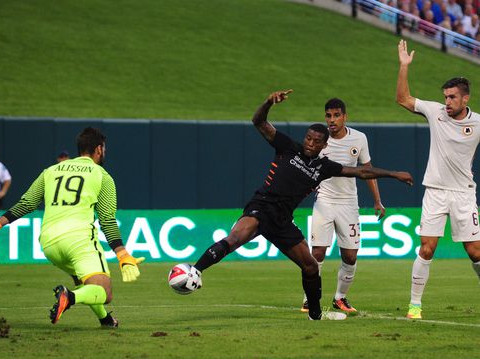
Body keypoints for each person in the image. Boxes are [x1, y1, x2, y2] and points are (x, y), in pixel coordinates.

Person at [186, 90, 413, 321]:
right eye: (308, 138)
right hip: (261, 207)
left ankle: (315, 314)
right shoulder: (287, 147)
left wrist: (394, 174)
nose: (311, 143)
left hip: (282, 221)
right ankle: (196, 270)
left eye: (316, 141)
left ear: (324, 145)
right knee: (234, 238)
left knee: (311, 267)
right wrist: (267, 102)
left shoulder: (325, 167)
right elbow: (259, 122)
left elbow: (362, 171)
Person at [0, 127, 145, 327]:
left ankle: (106, 320)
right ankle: (69, 297)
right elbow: (107, 220)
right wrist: (122, 254)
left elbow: (27, 204)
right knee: (104, 291)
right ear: (99, 149)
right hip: (78, 240)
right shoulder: (102, 176)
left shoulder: (50, 171)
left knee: (85, 282)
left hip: (49, 243)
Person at [396, 39, 480, 319]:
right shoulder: (435, 112)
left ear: (465, 98)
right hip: (435, 191)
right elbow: (403, 99)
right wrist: (404, 67)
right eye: (445, 97)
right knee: (427, 247)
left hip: (464, 194)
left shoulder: (477, 123)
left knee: (475, 251)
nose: (447, 102)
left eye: (452, 97)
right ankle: (415, 305)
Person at [301, 98, 385, 314]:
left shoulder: (359, 138)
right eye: (328, 115)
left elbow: (368, 170)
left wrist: (377, 200)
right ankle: (310, 299)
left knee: (350, 256)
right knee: (317, 253)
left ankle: (340, 297)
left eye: (336, 115)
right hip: (324, 202)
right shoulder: (320, 141)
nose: (332, 120)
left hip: (349, 204)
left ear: (345, 116)